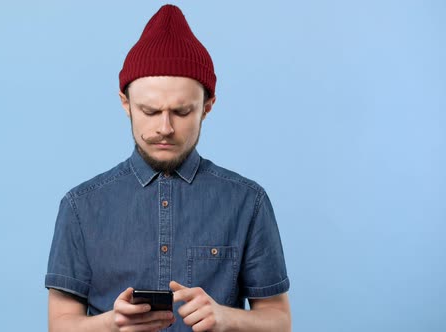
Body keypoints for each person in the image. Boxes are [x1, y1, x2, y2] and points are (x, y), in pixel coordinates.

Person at [45, 4, 291, 331]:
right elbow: (60, 325)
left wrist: (225, 317)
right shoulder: (80, 206)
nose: (165, 127)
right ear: (125, 103)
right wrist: (112, 324)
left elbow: (279, 320)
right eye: (149, 110)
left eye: (182, 111)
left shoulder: (248, 201)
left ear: (207, 106)